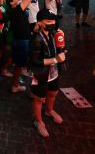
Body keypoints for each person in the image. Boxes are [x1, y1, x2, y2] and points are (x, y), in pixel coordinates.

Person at [30, 9, 66, 138]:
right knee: (39, 99)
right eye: (49, 21)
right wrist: (55, 59)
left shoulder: (54, 33)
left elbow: (59, 48)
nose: (52, 23)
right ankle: (38, 121)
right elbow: (34, 61)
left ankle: (49, 111)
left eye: (53, 20)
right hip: (42, 73)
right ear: (40, 23)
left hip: (54, 71)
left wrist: (62, 48)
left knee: (53, 93)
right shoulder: (36, 38)